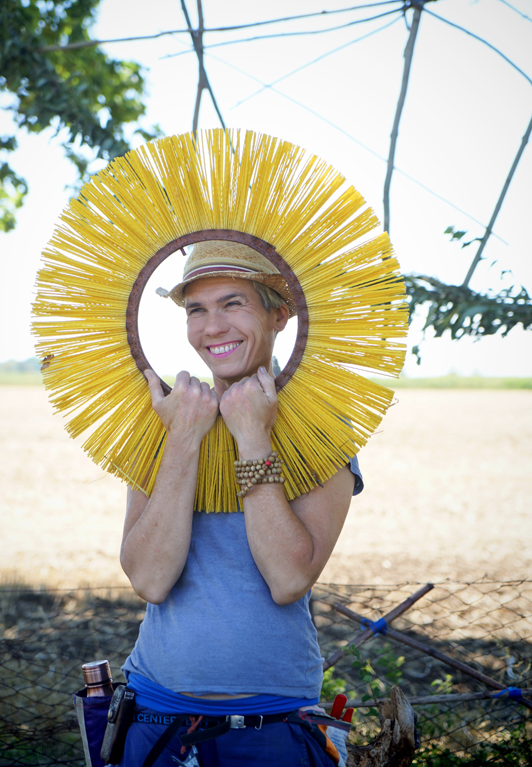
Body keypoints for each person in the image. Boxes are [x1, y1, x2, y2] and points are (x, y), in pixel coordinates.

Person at [119, 241, 363, 767]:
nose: (212, 327)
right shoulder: (164, 423)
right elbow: (149, 579)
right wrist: (184, 440)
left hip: (274, 723)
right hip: (155, 715)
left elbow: (287, 579)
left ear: (280, 314)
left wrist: (253, 438)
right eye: (196, 310)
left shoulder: (321, 434)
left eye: (233, 303)